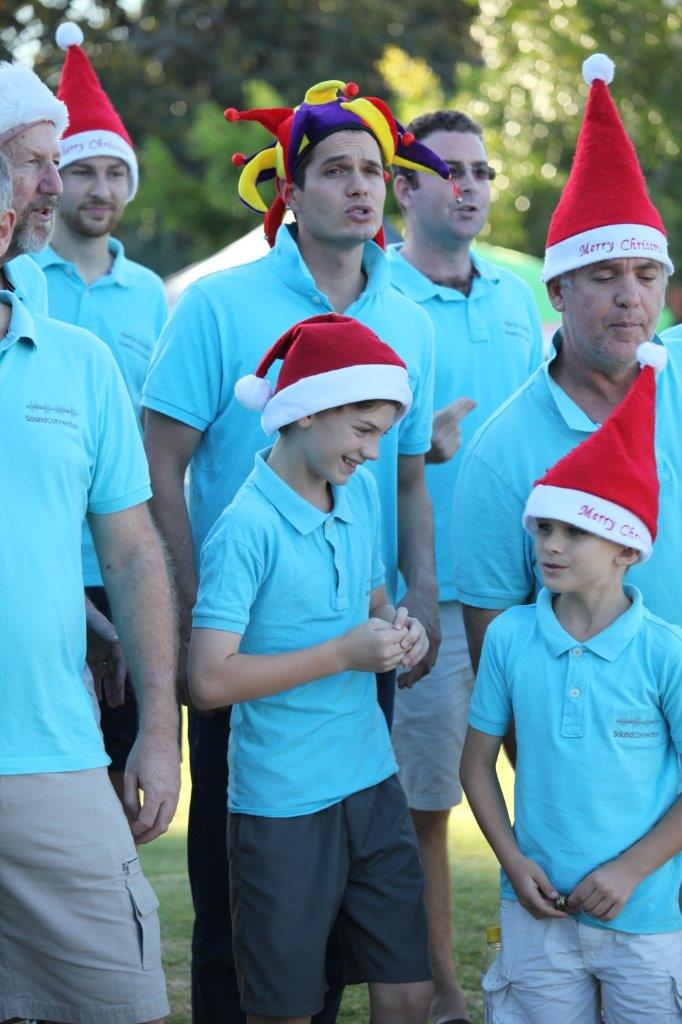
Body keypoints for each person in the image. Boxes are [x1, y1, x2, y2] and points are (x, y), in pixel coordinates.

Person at [142, 78, 451, 1021]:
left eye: (374, 171)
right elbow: (159, 465)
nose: (360, 188)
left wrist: (420, 596)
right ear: (290, 188)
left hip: (363, 647)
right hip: (241, 646)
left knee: (354, 909)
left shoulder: (414, 319)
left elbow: (407, 479)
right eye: (336, 171)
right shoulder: (216, 304)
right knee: (242, 920)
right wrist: (189, 609)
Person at [188, 313, 433, 1023]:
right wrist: (342, 655)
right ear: (304, 411)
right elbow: (207, 681)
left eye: (383, 433)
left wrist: (402, 631)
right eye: (363, 429)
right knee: (286, 1008)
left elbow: (374, 603)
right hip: (282, 804)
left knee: (409, 992)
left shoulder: (358, 494)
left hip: (372, 781)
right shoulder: (245, 529)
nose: (374, 451)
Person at [0, 135, 178, 1023]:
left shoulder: (79, 362)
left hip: (51, 751)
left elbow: (134, 553)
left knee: (121, 1004)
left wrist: (159, 730)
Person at [460, 340, 682, 1022]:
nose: (550, 546)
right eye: (544, 528)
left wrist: (630, 870)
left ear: (627, 549)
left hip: (645, 918)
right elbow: (475, 766)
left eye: (575, 532)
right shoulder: (508, 638)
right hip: (536, 914)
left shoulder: (667, 653)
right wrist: (512, 860)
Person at [452, 54, 679, 684]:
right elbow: (495, 656)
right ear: (556, 290)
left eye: (648, 275)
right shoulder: (501, 450)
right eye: (605, 276)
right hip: (593, 740)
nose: (631, 298)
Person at [388, 108, 543, 1024]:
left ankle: (562, 970)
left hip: (538, 590)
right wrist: (419, 455)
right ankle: (444, 996)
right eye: (452, 170)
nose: (473, 186)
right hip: (435, 600)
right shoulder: (380, 301)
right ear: (404, 188)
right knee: (428, 804)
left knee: (557, 780)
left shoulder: (519, 297)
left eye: (483, 171)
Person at [33, 22, 169, 801]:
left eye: (116, 173)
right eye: (82, 171)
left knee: (123, 759)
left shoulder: (149, 293)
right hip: (42, 554)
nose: (100, 190)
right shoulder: (24, 278)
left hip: (120, 556)